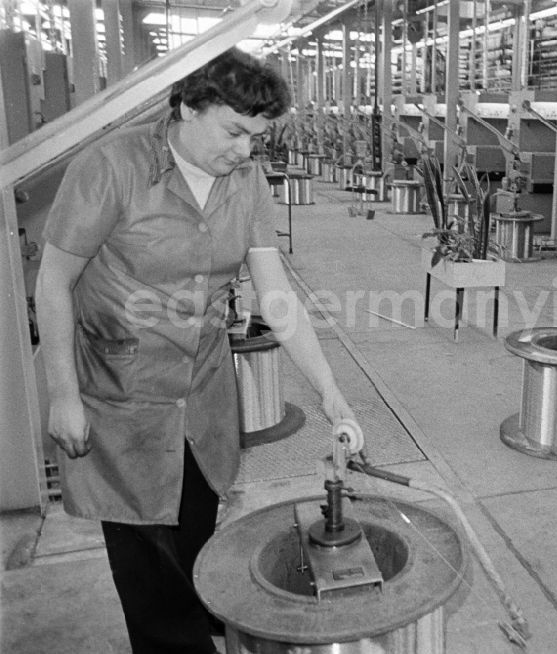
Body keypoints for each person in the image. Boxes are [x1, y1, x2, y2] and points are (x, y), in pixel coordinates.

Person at [35, 48, 359, 654]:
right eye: (235, 132)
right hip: (120, 393)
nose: (245, 150)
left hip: (204, 387)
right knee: (144, 555)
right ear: (187, 105)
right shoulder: (113, 166)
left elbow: (277, 298)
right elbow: (53, 282)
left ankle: (196, 613)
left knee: (191, 525)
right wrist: (62, 395)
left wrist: (329, 389)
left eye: (257, 138)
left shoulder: (247, 182)